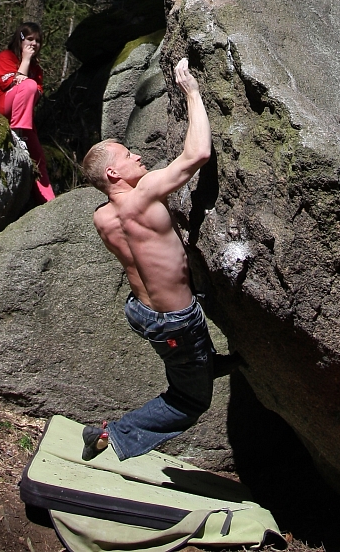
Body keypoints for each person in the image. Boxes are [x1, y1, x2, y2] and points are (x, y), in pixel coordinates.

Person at [80, 57, 238, 463]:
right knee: (189, 402)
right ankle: (111, 433)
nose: (138, 157)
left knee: (187, 357)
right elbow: (198, 152)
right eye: (128, 155)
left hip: (143, 314)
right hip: (175, 322)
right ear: (114, 174)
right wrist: (193, 93)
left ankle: (202, 364)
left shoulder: (102, 216)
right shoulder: (144, 193)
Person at [0, 22, 55, 204]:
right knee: (28, 85)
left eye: (38, 41)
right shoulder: (5, 57)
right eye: (30, 39)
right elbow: (13, 85)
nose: (34, 44)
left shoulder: (36, 69)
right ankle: (16, 134)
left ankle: (48, 202)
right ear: (21, 39)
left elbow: (36, 96)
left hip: (24, 117)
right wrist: (24, 60)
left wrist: (28, 70)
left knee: (38, 157)